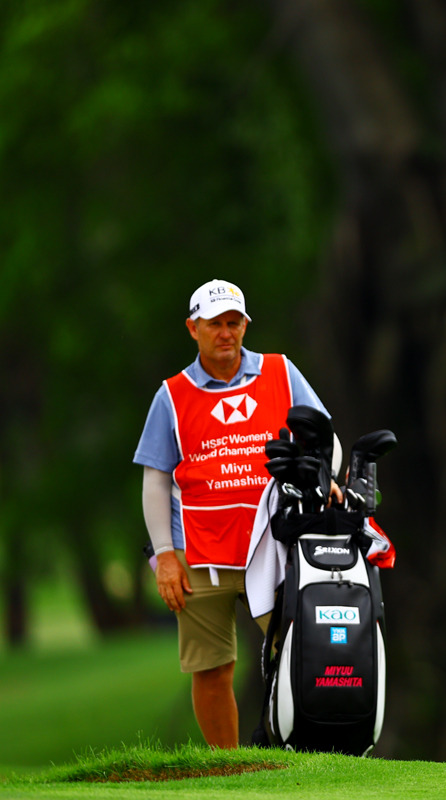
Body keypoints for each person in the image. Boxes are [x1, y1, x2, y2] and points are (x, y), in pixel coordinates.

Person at [134, 279, 334, 749]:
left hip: (275, 542)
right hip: (199, 551)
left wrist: (329, 481)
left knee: (302, 652)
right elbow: (156, 479)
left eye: (233, 323)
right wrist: (165, 554)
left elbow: (322, 437)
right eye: (214, 324)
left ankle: (304, 752)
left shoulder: (280, 372)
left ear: (245, 325)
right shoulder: (172, 395)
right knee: (212, 667)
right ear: (193, 329)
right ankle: (228, 769)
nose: (226, 333)